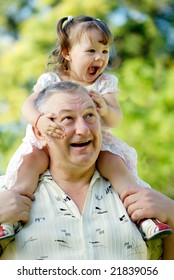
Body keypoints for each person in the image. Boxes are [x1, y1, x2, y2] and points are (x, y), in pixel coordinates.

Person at [0, 15, 172, 241]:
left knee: (116, 165)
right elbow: (27, 106)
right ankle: (10, 218)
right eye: (91, 51)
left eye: (104, 51)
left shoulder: (104, 84)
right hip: (48, 140)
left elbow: (115, 120)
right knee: (31, 163)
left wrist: (104, 108)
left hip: (96, 145)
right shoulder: (51, 79)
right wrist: (39, 119)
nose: (100, 58)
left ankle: (145, 218)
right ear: (67, 53)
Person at [1, 81, 173, 260]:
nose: (83, 130)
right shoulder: (7, 197)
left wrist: (173, 214)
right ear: (39, 133)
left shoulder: (140, 197)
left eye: (90, 115)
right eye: (67, 118)